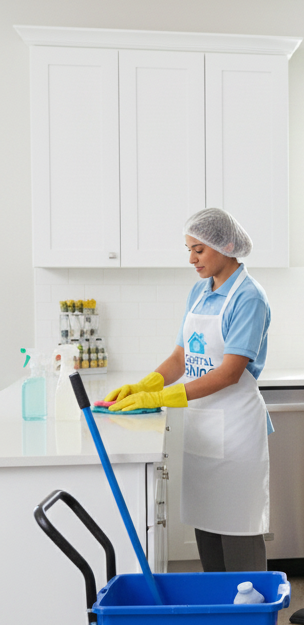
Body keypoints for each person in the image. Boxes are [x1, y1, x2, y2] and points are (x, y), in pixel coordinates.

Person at [106, 208, 273, 574]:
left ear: (226, 246)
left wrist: (162, 398)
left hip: (237, 428)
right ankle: (217, 614)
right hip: (203, 429)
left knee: (237, 528)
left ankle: (252, 618)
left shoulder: (249, 297)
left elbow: (229, 373)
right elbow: (182, 356)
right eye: (189, 249)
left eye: (199, 249)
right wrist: (147, 383)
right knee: (208, 528)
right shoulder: (200, 292)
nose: (191, 259)